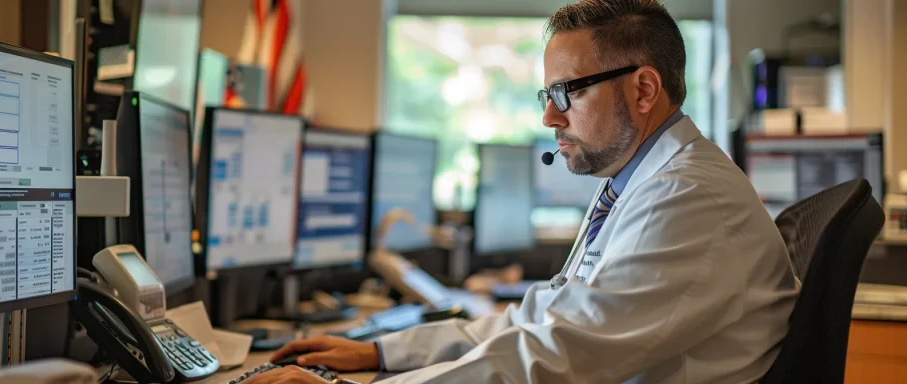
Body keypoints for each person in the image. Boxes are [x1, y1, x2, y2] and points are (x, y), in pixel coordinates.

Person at [245, 0, 799, 382]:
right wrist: (381, 351)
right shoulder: (643, 183)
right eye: (546, 93)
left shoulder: (688, 198)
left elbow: (557, 356)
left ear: (645, 89)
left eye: (566, 92)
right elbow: (545, 318)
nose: (548, 116)